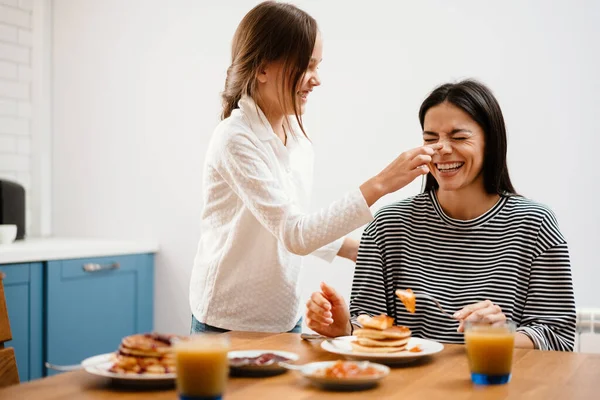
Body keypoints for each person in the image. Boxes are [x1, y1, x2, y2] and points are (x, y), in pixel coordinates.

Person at [189, 1, 441, 334]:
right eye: (306, 67)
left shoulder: (296, 138)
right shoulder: (234, 139)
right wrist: (380, 184)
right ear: (263, 68)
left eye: (318, 66)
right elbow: (295, 235)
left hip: (283, 319)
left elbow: (283, 223)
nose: (316, 80)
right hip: (226, 323)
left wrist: (357, 251)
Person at [305, 79, 576, 351]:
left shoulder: (535, 224)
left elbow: (558, 337)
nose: (441, 149)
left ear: (490, 143)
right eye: (430, 139)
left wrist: (500, 336)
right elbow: (367, 328)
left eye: (458, 137)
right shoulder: (388, 226)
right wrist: (343, 329)